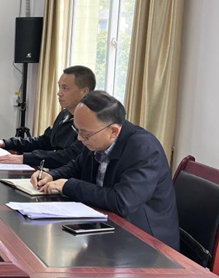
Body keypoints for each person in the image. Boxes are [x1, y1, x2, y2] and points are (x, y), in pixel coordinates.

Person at [32, 91, 179, 249]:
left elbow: (121, 201)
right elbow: (77, 166)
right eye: (78, 130)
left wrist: (68, 185)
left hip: (146, 242)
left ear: (113, 131)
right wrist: (51, 175)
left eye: (85, 134)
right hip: (107, 225)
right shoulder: (95, 138)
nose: (80, 138)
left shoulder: (144, 149)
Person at [0, 65, 95, 168]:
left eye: (65, 88)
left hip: (67, 176)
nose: (59, 93)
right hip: (52, 174)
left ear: (84, 92)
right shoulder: (64, 114)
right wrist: (6, 143)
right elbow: (44, 141)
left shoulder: (91, 122)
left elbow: (69, 156)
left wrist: (25, 158)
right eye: (59, 87)